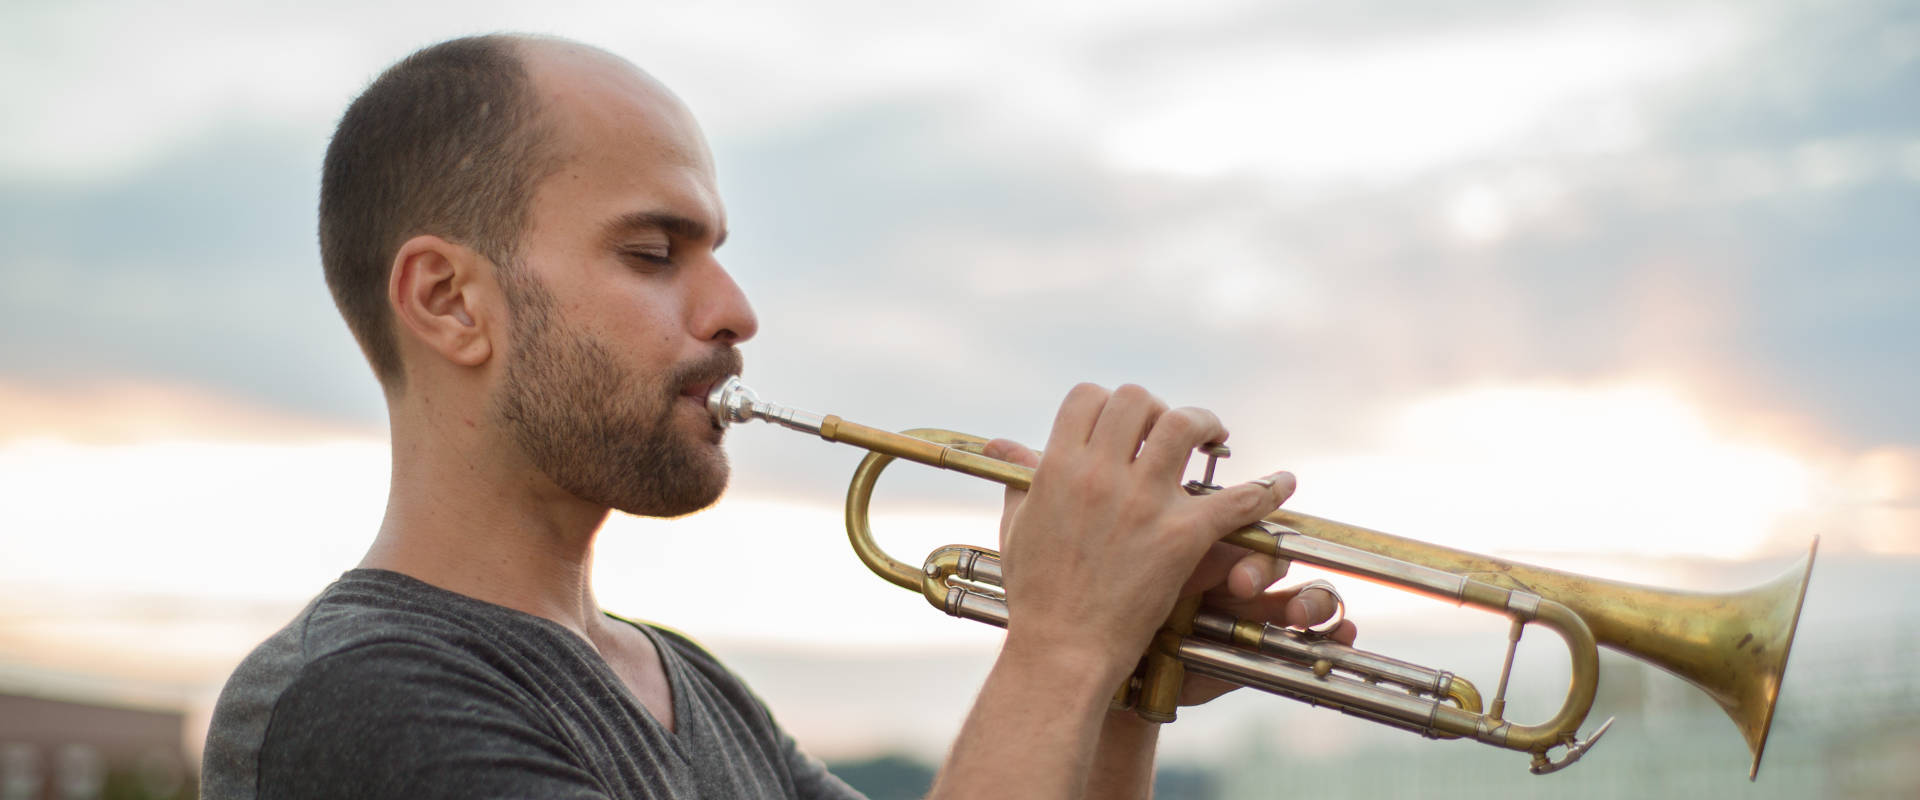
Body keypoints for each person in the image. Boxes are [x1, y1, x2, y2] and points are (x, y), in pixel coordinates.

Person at [200, 33, 1355, 800]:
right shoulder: (356, 699)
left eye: (716, 254)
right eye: (653, 253)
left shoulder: (690, 688)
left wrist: (1116, 687)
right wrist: (1063, 641)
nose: (736, 309)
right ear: (451, 301)